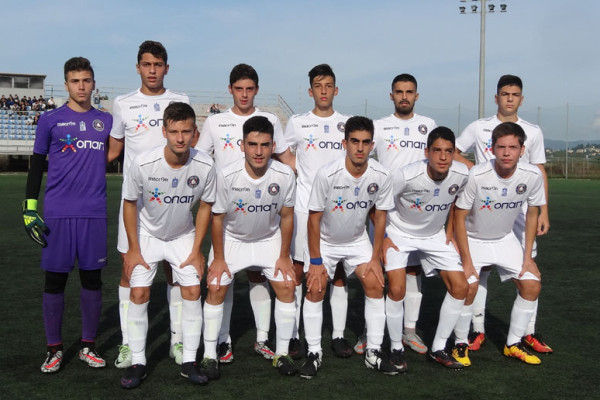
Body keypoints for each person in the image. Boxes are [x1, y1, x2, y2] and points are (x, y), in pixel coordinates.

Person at [195, 63, 295, 364]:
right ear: (230, 90)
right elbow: (200, 158)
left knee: (263, 277)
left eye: (249, 89)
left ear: (257, 90)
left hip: (263, 214)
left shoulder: (269, 121)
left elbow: (286, 158)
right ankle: (219, 343)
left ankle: (266, 341)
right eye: (239, 88)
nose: (244, 94)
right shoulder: (216, 122)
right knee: (219, 282)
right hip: (230, 214)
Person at [23, 57, 114, 373]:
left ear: (93, 84)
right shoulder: (50, 120)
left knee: (92, 279)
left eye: (86, 80)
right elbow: (37, 165)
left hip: (94, 213)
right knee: (55, 281)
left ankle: (88, 346)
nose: (81, 86)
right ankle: (54, 349)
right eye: (75, 81)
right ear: (66, 85)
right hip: (58, 213)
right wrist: (29, 208)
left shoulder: (106, 121)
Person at [119, 102, 215, 389]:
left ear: (195, 133)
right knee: (138, 292)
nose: (180, 138)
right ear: (164, 132)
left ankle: (190, 361)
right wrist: (133, 249)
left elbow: (206, 206)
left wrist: (197, 249)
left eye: (186, 131)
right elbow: (129, 203)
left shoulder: (205, 165)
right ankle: (138, 361)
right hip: (147, 235)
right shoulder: (143, 163)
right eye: (174, 131)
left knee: (193, 290)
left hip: (182, 235)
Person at [454, 75, 552, 354]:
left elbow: (539, 169)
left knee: (528, 268)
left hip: (520, 208)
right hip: (484, 205)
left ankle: (528, 333)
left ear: (522, 99)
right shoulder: (479, 127)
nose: (510, 99)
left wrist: (544, 210)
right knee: (480, 271)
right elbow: (455, 151)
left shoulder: (532, 131)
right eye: (505, 94)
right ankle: (477, 329)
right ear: (496, 98)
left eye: (515, 94)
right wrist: (474, 169)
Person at [108, 40, 191, 369]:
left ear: (166, 68)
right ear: (138, 67)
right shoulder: (123, 103)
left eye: (158, 65)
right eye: (147, 64)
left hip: (173, 202)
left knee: (175, 271)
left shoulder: (180, 100)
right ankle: (128, 344)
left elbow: (191, 144)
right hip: (136, 205)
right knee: (129, 270)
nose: (152, 70)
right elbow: (114, 150)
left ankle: (177, 340)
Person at [300, 116, 396, 379]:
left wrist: (375, 258)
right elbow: (313, 219)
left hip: (357, 240)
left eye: (365, 142)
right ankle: (314, 352)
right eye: (354, 141)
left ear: (372, 145)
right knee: (316, 288)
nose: (360, 148)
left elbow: (380, 216)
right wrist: (316, 262)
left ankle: (374, 351)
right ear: (345, 143)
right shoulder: (327, 174)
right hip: (325, 242)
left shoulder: (381, 175)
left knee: (375, 283)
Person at [357, 73, 437, 355]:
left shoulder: (428, 125)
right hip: (384, 211)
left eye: (409, 92)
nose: (404, 97)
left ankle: (409, 331)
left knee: (412, 270)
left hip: (416, 213)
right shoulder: (379, 126)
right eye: (399, 92)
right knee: (376, 271)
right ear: (391, 96)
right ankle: (370, 331)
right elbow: (365, 163)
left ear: (417, 95)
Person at [383, 127, 469, 370]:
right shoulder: (406, 175)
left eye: (448, 151)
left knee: (461, 287)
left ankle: (438, 348)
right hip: (399, 233)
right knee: (397, 288)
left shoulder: (462, 174)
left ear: (454, 153)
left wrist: (449, 230)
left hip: (434, 235)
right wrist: (384, 238)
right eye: (437, 150)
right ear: (426, 152)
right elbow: (377, 203)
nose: (443, 157)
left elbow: (458, 202)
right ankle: (396, 348)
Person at [284, 64, 352, 360]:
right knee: (300, 270)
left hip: (339, 209)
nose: (323, 91)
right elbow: (283, 151)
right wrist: (297, 169)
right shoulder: (298, 122)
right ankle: (295, 334)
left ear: (336, 90)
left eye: (328, 86)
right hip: (304, 208)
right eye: (318, 86)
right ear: (310, 91)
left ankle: (337, 334)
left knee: (339, 273)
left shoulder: (346, 123)